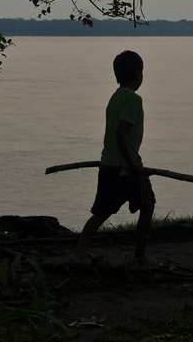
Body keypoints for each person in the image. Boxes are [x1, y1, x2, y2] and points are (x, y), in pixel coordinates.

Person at [72, 50, 155, 264]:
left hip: (108, 166)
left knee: (100, 213)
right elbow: (120, 131)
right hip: (128, 168)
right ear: (138, 73)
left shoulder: (115, 97)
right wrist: (131, 164)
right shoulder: (134, 99)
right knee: (147, 205)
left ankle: (80, 253)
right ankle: (140, 256)